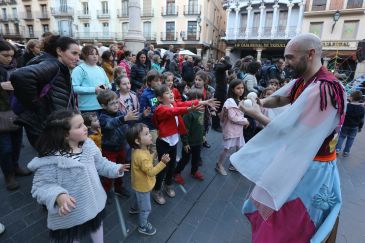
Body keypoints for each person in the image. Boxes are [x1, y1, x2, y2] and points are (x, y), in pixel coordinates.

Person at [231, 33, 345, 242]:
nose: (286, 62)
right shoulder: (305, 81)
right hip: (297, 161)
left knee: (289, 227)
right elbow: (280, 97)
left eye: (291, 57)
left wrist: (256, 114)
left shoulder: (325, 90)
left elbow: (293, 135)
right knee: (271, 215)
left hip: (311, 171)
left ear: (310, 54)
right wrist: (261, 103)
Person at [28, 110, 130, 243]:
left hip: (94, 203)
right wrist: (58, 195)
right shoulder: (50, 160)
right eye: (79, 126)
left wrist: (115, 168)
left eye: (84, 124)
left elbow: (101, 163)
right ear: (65, 134)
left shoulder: (88, 145)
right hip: (71, 214)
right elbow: (41, 186)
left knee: (97, 228)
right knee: (73, 237)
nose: (85, 127)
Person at [152, 84, 219, 204]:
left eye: (170, 91)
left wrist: (203, 102)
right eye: (167, 93)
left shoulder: (173, 103)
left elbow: (185, 103)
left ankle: (168, 185)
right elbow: (174, 111)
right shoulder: (161, 109)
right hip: (164, 144)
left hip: (173, 142)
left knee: (172, 166)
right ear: (160, 98)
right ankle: (157, 191)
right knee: (163, 168)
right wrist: (190, 109)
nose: (171, 93)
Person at [11, 35, 80, 147]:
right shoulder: (52, 64)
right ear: (59, 51)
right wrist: (37, 106)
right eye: (74, 53)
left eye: (78, 54)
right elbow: (21, 76)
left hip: (53, 127)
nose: (77, 58)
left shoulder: (58, 66)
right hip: (47, 129)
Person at [126, 123, 170, 235]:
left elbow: (143, 163)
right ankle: (142, 226)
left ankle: (133, 208)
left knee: (138, 197)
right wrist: (162, 163)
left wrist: (151, 156)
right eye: (146, 134)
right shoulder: (142, 156)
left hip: (137, 184)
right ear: (137, 141)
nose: (150, 135)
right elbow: (150, 172)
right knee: (146, 209)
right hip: (143, 186)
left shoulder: (137, 150)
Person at [0, 40, 31, 191]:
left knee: (17, 143)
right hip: (1, 113)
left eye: (11, 56)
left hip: (16, 111)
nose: (9, 59)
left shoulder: (15, 67)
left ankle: (16, 165)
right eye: (5, 55)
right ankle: (9, 175)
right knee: (5, 148)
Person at [97, 90, 140, 196]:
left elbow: (128, 122)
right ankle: (104, 191)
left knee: (121, 168)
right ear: (103, 105)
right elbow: (110, 124)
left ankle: (118, 187)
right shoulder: (102, 117)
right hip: (109, 150)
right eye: (112, 103)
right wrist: (124, 118)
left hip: (121, 147)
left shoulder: (120, 113)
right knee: (108, 172)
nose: (116, 105)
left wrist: (142, 115)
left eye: (117, 102)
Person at [216, 79, 249, 176]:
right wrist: (245, 121)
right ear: (232, 89)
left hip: (238, 130)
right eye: (238, 88)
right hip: (231, 130)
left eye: (242, 88)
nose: (241, 90)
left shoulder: (240, 100)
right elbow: (232, 117)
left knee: (240, 147)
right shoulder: (230, 101)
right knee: (227, 149)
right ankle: (219, 164)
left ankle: (233, 164)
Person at [174, 88, 205, 184]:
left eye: (201, 99)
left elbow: (201, 124)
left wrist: (203, 135)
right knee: (185, 159)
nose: (200, 101)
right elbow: (184, 130)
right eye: (197, 99)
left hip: (198, 141)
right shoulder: (188, 114)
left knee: (196, 158)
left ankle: (194, 171)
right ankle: (176, 172)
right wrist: (185, 143)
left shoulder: (201, 109)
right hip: (189, 142)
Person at [72, 45, 111, 113]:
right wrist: (94, 89)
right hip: (87, 108)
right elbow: (74, 88)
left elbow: (109, 84)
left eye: (96, 54)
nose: (95, 56)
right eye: (91, 54)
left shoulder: (100, 69)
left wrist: (106, 87)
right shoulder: (79, 69)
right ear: (85, 55)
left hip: (103, 106)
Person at [139, 70, 161, 165]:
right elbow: (143, 113)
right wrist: (154, 115)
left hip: (158, 125)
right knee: (154, 149)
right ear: (149, 82)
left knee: (157, 147)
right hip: (150, 126)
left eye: (159, 80)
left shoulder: (158, 92)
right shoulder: (145, 95)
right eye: (156, 81)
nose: (159, 82)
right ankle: (154, 173)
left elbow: (157, 107)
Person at [336, 90, 364, 157]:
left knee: (341, 137)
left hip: (345, 125)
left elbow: (342, 114)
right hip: (355, 126)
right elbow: (361, 120)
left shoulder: (347, 106)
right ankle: (346, 152)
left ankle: (337, 149)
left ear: (351, 97)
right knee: (351, 139)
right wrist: (360, 127)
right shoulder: (362, 108)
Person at [193, 70, 215, 148]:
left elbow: (211, 103)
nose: (197, 82)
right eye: (196, 80)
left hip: (205, 114)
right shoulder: (192, 90)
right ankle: (195, 143)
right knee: (196, 129)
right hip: (195, 113)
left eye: (199, 80)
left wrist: (212, 110)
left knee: (205, 128)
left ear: (205, 81)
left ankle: (204, 140)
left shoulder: (208, 91)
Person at [212, 56, 232, 132]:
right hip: (220, 91)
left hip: (221, 90)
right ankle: (215, 126)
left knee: (218, 108)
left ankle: (216, 125)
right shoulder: (220, 67)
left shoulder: (219, 67)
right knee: (218, 108)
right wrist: (224, 60)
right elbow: (229, 66)